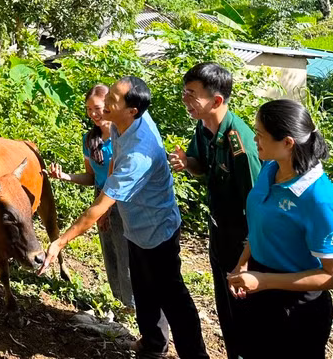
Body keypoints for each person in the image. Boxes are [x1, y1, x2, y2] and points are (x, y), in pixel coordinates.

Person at [40, 77, 209, 359]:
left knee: (172, 296)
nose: (105, 105)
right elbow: (113, 162)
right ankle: (153, 344)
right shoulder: (123, 123)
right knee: (143, 289)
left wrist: (60, 242)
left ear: (132, 110)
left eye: (112, 101)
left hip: (158, 230)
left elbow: (98, 208)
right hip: (135, 226)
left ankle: (195, 355)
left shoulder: (139, 153)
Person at [228, 99, 333, 359]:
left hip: (296, 308)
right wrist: (243, 264)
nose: (254, 138)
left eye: (260, 134)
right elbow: (263, 224)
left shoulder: (320, 199)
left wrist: (264, 281)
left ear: (287, 143)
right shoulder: (271, 168)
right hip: (261, 289)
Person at [168, 63, 260, 359]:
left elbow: (256, 205)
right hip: (219, 232)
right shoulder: (204, 126)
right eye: (185, 91)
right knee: (226, 308)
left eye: (191, 94)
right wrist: (187, 164)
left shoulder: (240, 143)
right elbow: (200, 164)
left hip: (243, 240)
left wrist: (247, 258)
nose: (185, 99)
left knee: (245, 312)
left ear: (217, 100)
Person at [46, 84, 134, 310]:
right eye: (89, 110)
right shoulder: (90, 140)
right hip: (101, 198)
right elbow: (91, 176)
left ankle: (134, 306)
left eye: (98, 108)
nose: (93, 114)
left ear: (111, 106)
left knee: (127, 256)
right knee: (110, 252)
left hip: (124, 202)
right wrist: (65, 176)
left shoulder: (124, 136)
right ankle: (121, 303)